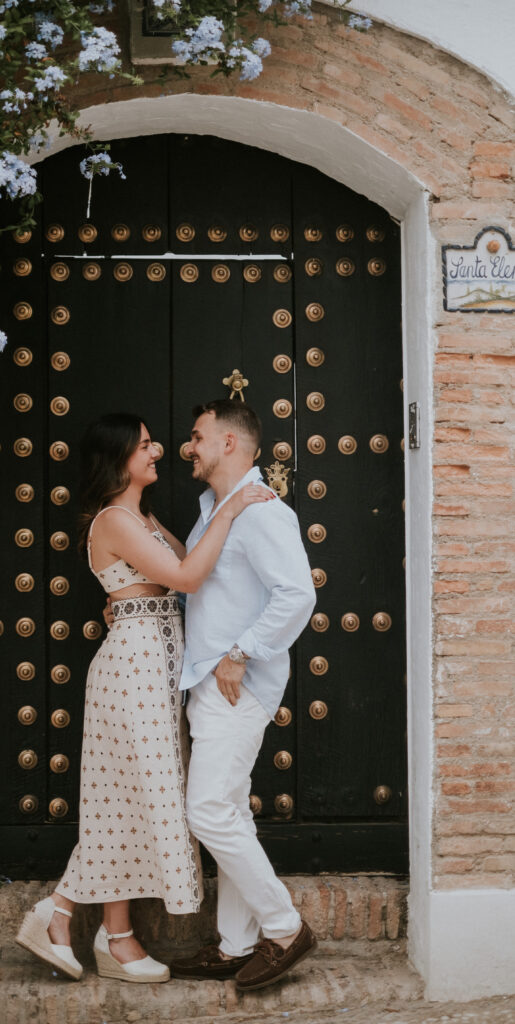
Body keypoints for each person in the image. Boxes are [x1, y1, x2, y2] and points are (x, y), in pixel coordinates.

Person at [15, 412, 274, 984]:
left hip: (155, 667)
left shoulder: (143, 517)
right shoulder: (113, 519)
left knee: (128, 799)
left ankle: (103, 931)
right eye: (144, 445)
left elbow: (189, 575)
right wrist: (232, 506)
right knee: (132, 798)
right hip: (132, 671)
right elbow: (187, 577)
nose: (157, 451)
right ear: (118, 458)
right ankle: (66, 915)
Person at [169, 399, 317, 992]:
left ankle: (285, 928)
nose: (189, 446)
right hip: (211, 683)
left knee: (206, 810)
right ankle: (235, 944)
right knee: (227, 810)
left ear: (228, 443)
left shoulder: (260, 512)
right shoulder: (214, 510)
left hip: (236, 685)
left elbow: (298, 595)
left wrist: (241, 653)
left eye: (198, 436)